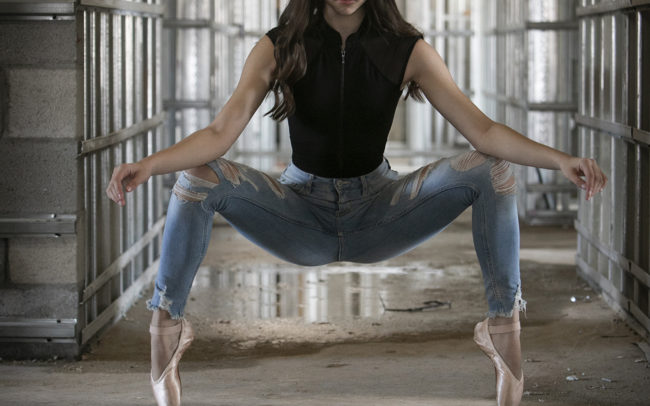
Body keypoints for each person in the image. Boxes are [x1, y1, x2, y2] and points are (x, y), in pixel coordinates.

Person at [106, 1, 607, 405]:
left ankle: (504, 332)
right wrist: (151, 164)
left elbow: (483, 130)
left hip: (381, 211)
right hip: (299, 214)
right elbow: (220, 134)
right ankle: (165, 335)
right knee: (197, 176)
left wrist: (559, 159)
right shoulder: (279, 45)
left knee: (490, 167)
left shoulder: (407, 49)